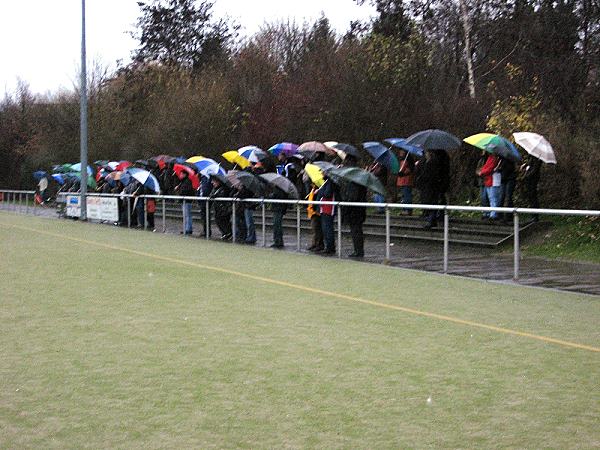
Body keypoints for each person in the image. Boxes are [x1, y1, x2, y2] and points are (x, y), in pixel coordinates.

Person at [415, 149, 440, 228]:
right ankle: (430, 218)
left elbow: (432, 175)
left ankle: (431, 219)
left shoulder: (433, 162)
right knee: (428, 202)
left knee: (432, 202)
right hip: (426, 186)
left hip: (431, 186)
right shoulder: (424, 161)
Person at [341, 180, 367, 258]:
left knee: (356, 232)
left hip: (354, 212)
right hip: (358, 212)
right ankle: (358, 250)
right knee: (357, 231)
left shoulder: (353, 185)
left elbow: (352, 198)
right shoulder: (362, 184)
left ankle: (358, 251)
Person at [477, 153, 502, 220]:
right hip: (488, 180)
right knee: (490, 198)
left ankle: (493, 214)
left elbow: (490, 168)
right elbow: (486, 167)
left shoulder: (496, 158)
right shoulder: (490, 157)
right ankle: (491, 213)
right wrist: (483, 171)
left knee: (493, 198)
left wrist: (482, 172)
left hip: (493, 180)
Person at [316, 175, 336, 254]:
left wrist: (320, 191)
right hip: (324, 208)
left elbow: (327, 193)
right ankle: (328, 246)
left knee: (328, 228)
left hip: (328, 208)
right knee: (325, 228)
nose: (321, 173)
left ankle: (330, 247)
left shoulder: (330, 182)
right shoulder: (326, 182)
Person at [521, 155, 542, 222]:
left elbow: (534, 169)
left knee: (533, 197)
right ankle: (533, 215)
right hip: (529, 179)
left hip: (533, 179)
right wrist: (525, 165)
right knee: (530, 197)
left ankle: (535, 216)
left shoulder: (538, 158)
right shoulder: (532, 157)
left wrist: (527, 175)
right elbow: (530, 165)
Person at [174, 170, 195, 235]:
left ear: (184, 174)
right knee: (186, 215)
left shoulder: (187, 182)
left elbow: (185, 191)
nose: (180, 175)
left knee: (187, 215)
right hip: (184, 200)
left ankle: (188, 229)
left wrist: (179, 190)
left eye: (181, 174)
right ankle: (187, 228)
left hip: (186, 200)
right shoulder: (183, 182)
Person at [306, 183, 324, 252]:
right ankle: (315, 244)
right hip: (312, 212)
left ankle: (318, 244)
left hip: (315, 212)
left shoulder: (318, 188)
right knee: (315, 229)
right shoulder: (313, 189)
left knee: (317, 229)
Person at [396, 150, 414, 215]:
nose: (400, 153)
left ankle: (408, 210)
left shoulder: (408, 161)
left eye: (402, 151)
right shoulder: (401, 160)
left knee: (407, 195)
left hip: (406, 181)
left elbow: (409, 170)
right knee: (403, 196)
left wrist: (403, 173)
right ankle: (404, 209)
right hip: (402, 181)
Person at [499, 156, 517, 222]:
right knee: (502, 197)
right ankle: (500, 215)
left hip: (509, 179)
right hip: (503, 180)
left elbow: (509, 168)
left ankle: (508, 216)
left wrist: (501, 169)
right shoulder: (501, 159)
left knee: (508, 197)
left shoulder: (510, 158)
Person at [475, 151, 490, 219]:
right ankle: (485, 212)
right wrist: (480, 172)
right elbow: (477, 170)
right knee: (483, 198)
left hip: (488, 181)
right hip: (482, 181)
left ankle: (488, 213)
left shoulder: (490, 160)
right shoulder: (481, 160)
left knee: (487, 197)